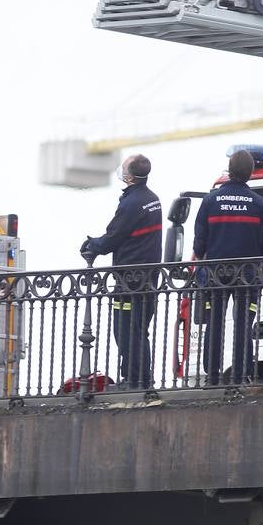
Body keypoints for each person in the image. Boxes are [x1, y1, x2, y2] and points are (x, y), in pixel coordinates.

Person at [81, 154, 162, 391]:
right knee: (139, 330)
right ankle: (142, 378)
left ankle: (133, 380)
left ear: (129, 176)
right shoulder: (152, 199)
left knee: (125, 331)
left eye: (124, 168)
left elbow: (113, 238)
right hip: (149, 277)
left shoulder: (131, 203)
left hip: (129, 279)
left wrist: (91, 246)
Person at [192, 149, 263, 384]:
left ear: (229, 170)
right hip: (247, 276)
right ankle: (241, 374)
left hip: (215, 275)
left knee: (215, 321)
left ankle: (213, 375)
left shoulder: (210, 201)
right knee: (244, 324)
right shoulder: (258, 204)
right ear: (249, 173)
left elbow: (199, 244)